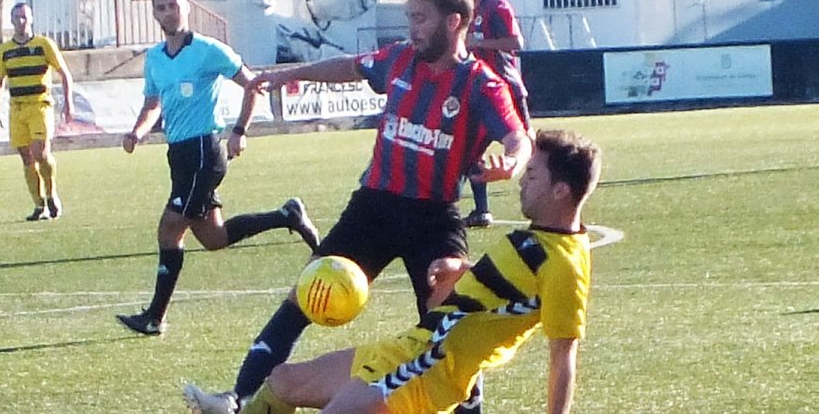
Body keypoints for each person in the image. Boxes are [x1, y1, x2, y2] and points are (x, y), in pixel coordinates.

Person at [183, 0, 532, 414]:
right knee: (306, 294)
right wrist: (292, 74)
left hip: (433, 215)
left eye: (420, 18)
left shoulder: (480, 84)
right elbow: (351, 67)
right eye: (409, 17)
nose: (412, 29)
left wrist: (513, 161)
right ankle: (239, 397)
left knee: (449, 323)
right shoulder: (400, 60)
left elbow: (517, 136)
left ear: (455, 21)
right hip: (373, 206)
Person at [232, 129, 602, 414]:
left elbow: (563, 355)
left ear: (560, 192)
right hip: (409, 350)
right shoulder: (541, 238)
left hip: (429, 371)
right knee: (282, 382)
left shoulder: (566, 265)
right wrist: (464, 270)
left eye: (533, 175)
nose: (522, 180)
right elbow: (514, 295)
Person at [115, 0, 320, 336]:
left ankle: (154, 317)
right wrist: (138, 131)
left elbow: (251, 83)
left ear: (187, 9)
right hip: (179, 154)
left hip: (203, 152)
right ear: (155, 14)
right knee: (213, 237)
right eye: (161, 8)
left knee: (169, 228)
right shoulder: (155, 58)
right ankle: (287, 215)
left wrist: (240, 130)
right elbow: (153, 103)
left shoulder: (208, 49)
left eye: (173, 6)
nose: (168, 12)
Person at [458, 0, 533, 229]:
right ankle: (481, 210)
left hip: (506, 89)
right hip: (475, 92)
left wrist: (479, 42)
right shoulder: (460, 11)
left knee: (528, 148)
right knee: (467, 151)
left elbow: (516, 43)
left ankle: (545, 200)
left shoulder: (496, 6)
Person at [0, 2, 74, 221]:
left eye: (24, 17)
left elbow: (64, 74)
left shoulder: (43, 44)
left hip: (40, 105)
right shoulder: (5, 50)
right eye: (17, 18)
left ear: (32, 19)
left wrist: (68, 102)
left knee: (41, 153)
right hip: (17, 109)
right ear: (11, 21)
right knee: (26, 157)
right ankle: (39, 206)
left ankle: (51, 194)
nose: (21, 22)